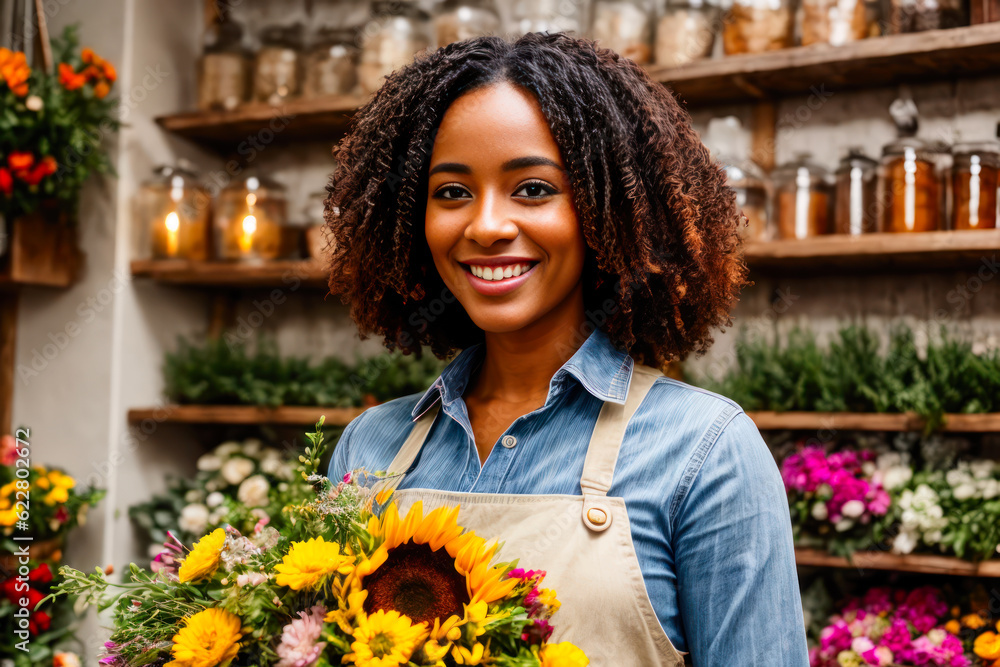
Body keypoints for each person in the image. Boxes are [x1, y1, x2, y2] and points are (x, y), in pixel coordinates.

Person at [324, 32, 808, 666]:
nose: (487, 226)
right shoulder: (371, 447)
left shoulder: (705, 453)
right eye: (451, 192)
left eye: (532, 189)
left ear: (611, 214)